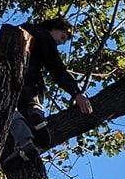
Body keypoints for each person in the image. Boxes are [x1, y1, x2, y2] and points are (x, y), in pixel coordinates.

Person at [5, 17, 91, 161]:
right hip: (27, 82)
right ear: (54, 28)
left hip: (4, 80)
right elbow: (57, 70)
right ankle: (35, 113)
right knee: (32, 97)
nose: (60, 42)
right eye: (62, 37)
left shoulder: (23, 30)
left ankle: (25, 141)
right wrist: (76, 92)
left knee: (7, 111)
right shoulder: (43, 35)